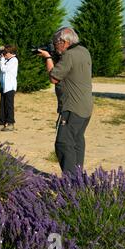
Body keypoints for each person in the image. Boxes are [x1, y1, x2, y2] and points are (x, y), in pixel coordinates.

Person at [38, 27, 93, 176]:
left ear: (64, 41)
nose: (55, 45)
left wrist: (48, 58)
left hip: (72, 107)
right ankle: (77, 177)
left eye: (56, 42)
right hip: (85, 106)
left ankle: (69, 180)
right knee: (76, 142)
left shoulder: (69, 55)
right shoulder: (84, 51)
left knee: (63, 143)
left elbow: (54, 78)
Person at [0, 45, 18, 132]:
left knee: (9, 106)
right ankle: (1, 123)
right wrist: (0, 49)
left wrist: (2, 59)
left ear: (11, 53)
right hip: (4, 86)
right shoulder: (6, 60)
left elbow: (3, 69)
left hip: (10, 87)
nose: (4, 54)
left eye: (5, 53)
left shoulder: (14, 60)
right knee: (2, 105)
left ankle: (10, 123)